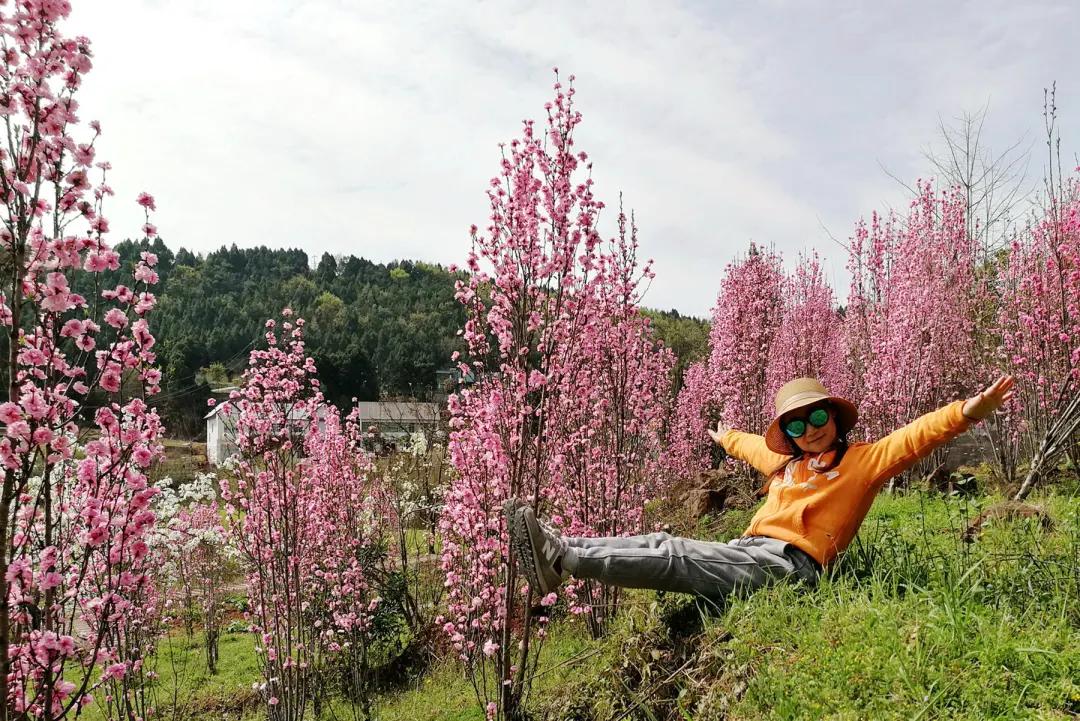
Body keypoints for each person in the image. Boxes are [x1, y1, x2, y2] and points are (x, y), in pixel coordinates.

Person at [505, 375, 1015, 600]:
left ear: (834, 416)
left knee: (677, 554)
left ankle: (563, 558)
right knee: (664, 542)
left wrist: (967, 412)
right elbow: (749, 446)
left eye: (817, 416)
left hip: (791, 566)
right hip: (749, 550)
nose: (809, 429)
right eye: (796, 424)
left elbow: (914, 438)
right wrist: (722, 435)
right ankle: (560, 553)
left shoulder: (861, 462)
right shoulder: (785, 466)